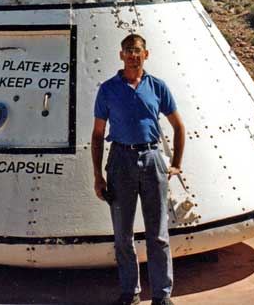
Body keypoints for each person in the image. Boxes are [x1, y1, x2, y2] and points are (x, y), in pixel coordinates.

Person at [91, 34, 185, 305]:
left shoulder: (157, 87)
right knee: (123, 234)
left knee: (158, 233)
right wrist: (98, 177)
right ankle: (129, 292)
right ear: (121, 55)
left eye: (138, 51)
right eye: (128, 51)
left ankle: (162, 295)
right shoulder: (108, 89)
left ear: (146, 54)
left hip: (152, 157)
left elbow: (179, 126)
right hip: (120, 160)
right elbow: (98, 134)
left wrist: (176, 163)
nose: (133, 55)